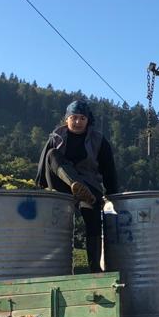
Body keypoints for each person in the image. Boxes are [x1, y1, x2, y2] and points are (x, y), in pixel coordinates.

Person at [35, 99, 118, 272]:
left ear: (88, 120)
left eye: (82, 118)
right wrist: (41, 190)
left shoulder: (98, 140)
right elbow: (45, 163)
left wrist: (112, 195)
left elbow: (109, 169)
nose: (78, 122)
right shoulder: (56, 137)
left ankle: (95, 268)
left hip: (89, 187)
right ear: (66, 119)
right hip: (62, 186)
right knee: (52, 154)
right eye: (74, 118)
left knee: (93, 219)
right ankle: (75, 185)